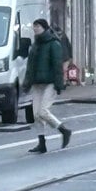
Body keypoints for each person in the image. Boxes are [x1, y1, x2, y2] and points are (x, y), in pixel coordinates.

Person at [24, 18, 72, 153]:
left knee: (43, 111)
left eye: (37, 27)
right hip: (37, 83)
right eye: (34, 28)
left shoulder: (53, 44)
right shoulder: (35, 45)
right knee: (36, 115)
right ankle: (42, 143)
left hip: (50, 82)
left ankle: (63, 130)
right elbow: (30, 66)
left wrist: (59, 83)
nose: (35, 30)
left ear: (44, 28)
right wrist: (27, 83)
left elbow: (57, 65)